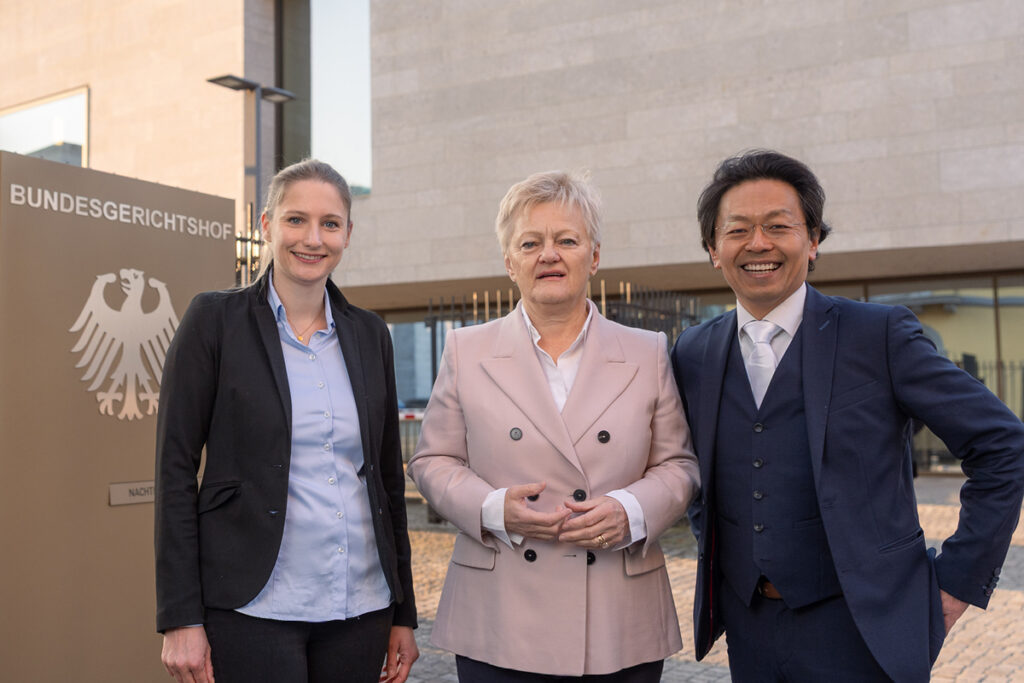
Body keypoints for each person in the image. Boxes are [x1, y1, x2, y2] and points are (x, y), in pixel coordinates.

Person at [670, 149, 1024, 682]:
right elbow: (695, 472)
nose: (758, 243)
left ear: (812, 241)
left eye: (778, 226)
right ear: (713, 250)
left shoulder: (878, 335)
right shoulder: (693, 351)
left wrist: (955, 584)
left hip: (865, 628)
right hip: (750, 629)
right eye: (738, 229)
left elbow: (1003, 444)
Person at [408, 170, 700, 682]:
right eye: (531, 242)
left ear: (594, 256)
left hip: (617, 612)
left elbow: (678, 465)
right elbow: (432, 460)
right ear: (509, 262)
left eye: (567, 240)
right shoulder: (466, 350)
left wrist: (630, 511)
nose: (549, 254)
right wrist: (493, 509)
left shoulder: (646, 350)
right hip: (501, 614)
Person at [154, 159, 418, 683]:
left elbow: (388, 479)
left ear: (347, 233)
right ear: (268, 226)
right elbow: (175, 472)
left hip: (360, 604)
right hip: (254, 605)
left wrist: (403, 612)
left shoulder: (370, 335)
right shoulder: (213, 321)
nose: (312, 238)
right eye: (296, 220)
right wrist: (180, 615)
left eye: (330, 223)